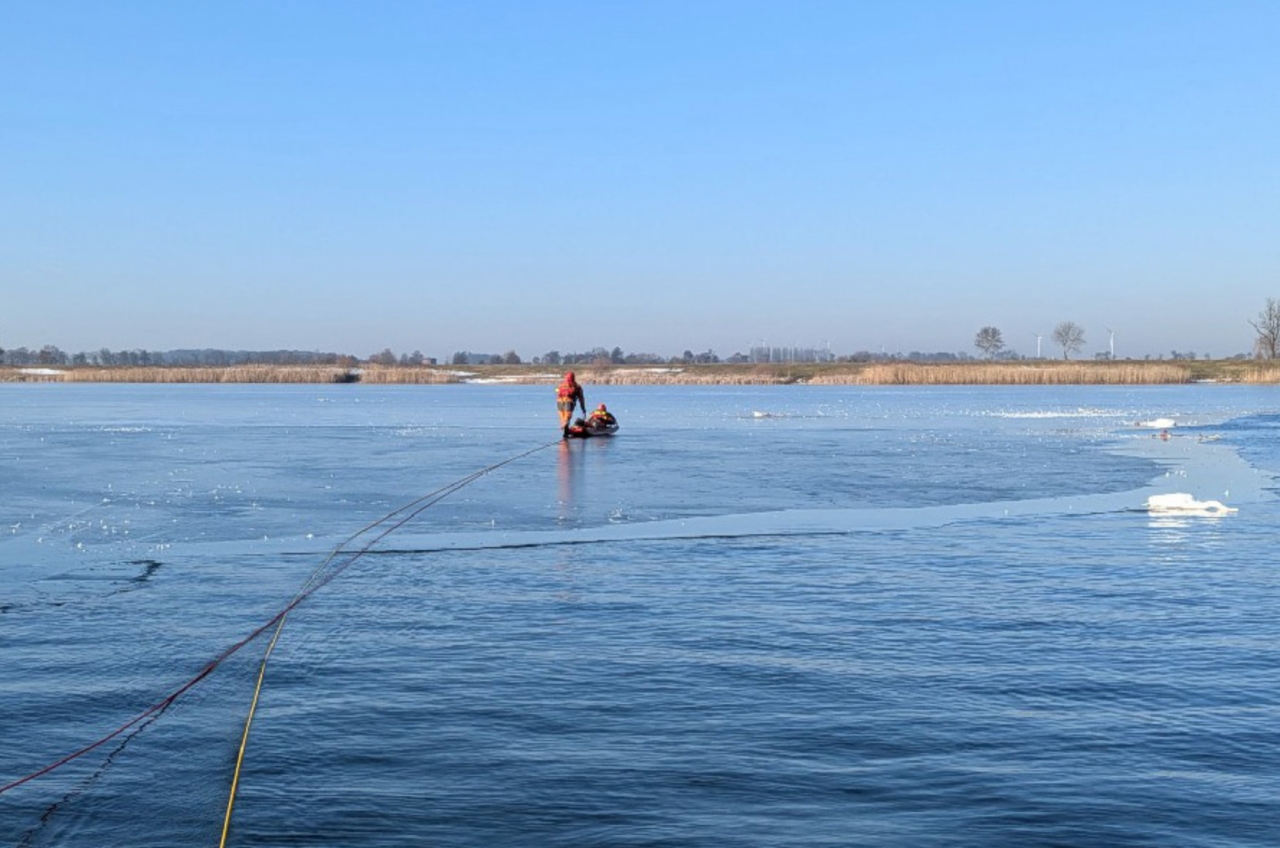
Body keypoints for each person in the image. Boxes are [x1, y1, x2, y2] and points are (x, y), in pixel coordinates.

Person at [556, 371, 586, 436]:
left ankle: (565, 432)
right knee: (567, 416)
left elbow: (557, 392)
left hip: (559, 402)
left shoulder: (561, 385)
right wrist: (583, 408)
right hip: (569, 402)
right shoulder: (577, 386)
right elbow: (581, 399)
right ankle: (565, 426)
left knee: (562, 417)